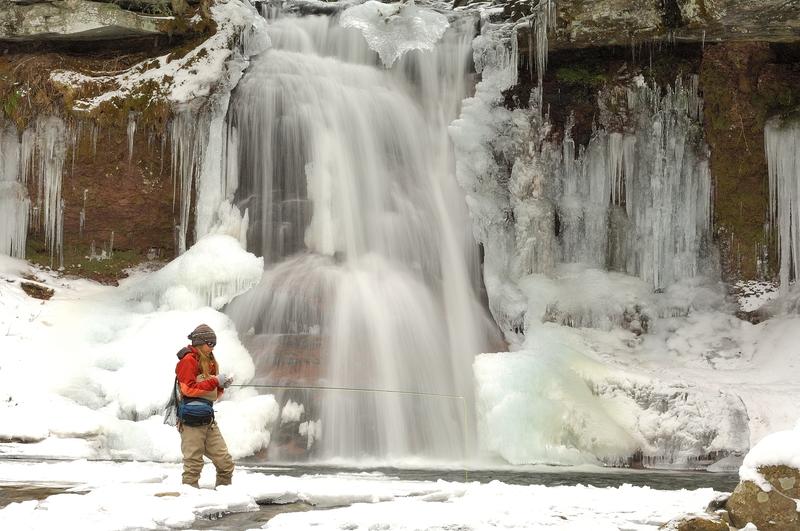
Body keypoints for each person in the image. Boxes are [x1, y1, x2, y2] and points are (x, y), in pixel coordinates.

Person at [175, 323, 234, 488]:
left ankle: (225, 499)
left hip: (207, 418)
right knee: (193, 465)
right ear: (200, 343)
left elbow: (212, 396)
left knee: (225, 463)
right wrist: (215, 381)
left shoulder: (210, 361)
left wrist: (222, 385)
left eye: (214, 344)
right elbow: (188, 389)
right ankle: (189, 505)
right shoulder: (187, 360)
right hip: (190, 421)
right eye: (210, 344)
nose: (213, 348)